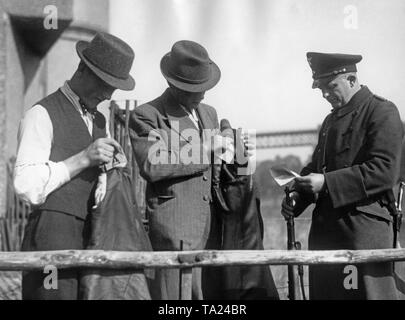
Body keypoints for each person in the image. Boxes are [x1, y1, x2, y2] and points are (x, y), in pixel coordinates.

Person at [14, 32, 135, 299]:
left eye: (114, 87)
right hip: (51, 237)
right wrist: (83, 159)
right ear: (82, 69)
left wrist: (108, 173)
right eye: (105, 83)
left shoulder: (100, 122)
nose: (108, 93)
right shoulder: (41, 114)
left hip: (92, 239)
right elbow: (26, 184)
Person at [281, 52, 404, 300]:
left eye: (331, 86)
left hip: (363, 235)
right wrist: (298, 197)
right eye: (321, 89)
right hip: (327, 236)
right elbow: (316, 167)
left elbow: (383, 171)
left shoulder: (382, 111)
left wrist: (326, 182)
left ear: (351, 79)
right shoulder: (329, 121)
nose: (325, 94)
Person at [129, 40, 233, 299]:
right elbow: (153, 165)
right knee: (176, 301)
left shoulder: (209, 113)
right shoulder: (147, 115)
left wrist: (238, 153)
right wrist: (205, 147)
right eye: (195, 88)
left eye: (205, 86)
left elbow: (219, 165)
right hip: (176, 229)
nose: (203, 94)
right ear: (173, 85)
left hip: (212, 226)